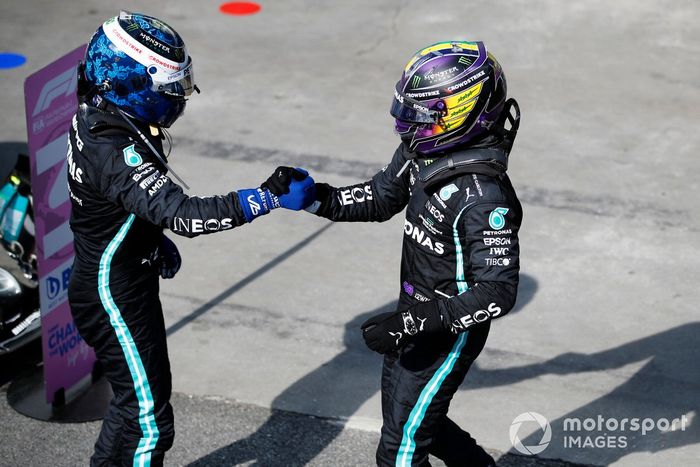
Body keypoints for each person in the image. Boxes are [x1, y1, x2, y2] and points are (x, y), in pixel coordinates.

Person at [66, 11, 315, 466]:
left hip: (120, 279)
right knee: (150, 423)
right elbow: (184, 214)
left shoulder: (102, 113)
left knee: (131, 407)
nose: (177, 99)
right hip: (113, 296)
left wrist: (146, 238)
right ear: (129, 82)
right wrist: (266, 197)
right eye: (168, 90)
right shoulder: (114, 148)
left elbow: (113, 207)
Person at [305, 41, 522, 466]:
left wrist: (411, 323)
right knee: (412, 420)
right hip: (415, 316)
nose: (408, 126)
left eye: (421, 116)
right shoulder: (422, 152)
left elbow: (498, 291)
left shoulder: (483, 198)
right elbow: (379, 197)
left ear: (461, 113)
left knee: (400, 450)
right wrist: (313, 197)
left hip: (447, 332)